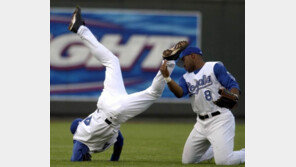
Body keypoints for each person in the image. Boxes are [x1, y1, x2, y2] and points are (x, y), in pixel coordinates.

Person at [67, 6, 180, 162]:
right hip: (105, 103)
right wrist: (114, 160)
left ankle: (169, 61)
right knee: (112, 61)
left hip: (113, 112)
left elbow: (75, 158)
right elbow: (119, 141)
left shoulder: (80, 138)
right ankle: (80, 28)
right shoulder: (84, 128)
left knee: (153, 93)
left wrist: (84, 157)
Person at [160, 45, 245, 165]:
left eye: (184, 60)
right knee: (188, 161)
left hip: (220, 119)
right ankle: (215, 150)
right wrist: (167, 78)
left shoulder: (214, 67)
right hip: (201, 123)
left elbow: (233, 85)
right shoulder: (185, 78)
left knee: (224, 161)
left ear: (193, 56)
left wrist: (234, 96)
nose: (183, 65)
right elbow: (180, 93)